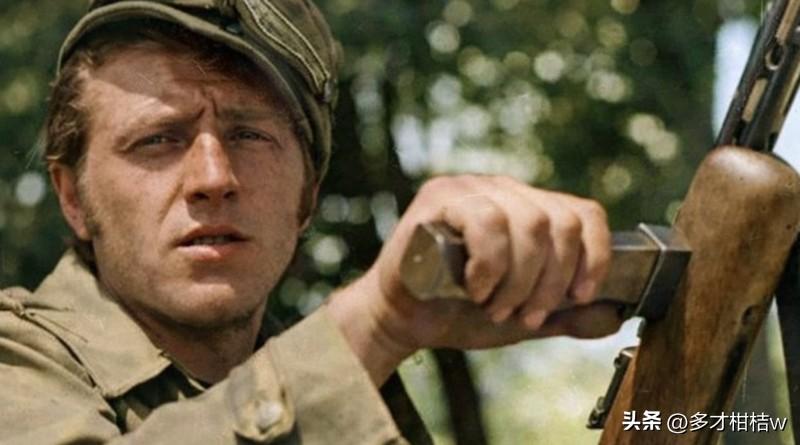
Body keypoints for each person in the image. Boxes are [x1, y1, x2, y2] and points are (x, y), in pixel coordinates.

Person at [0, 0, 624, 443]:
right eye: (158, 139)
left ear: (306, 198)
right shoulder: (16, 366)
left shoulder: (357, 394)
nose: (214, 177)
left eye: (250, 135)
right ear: (73, 197)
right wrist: (379, 323)